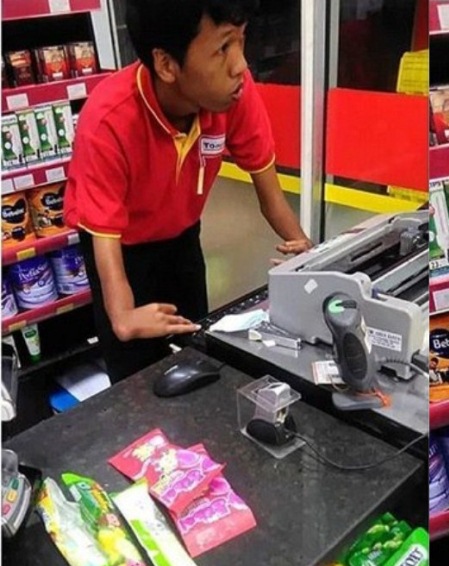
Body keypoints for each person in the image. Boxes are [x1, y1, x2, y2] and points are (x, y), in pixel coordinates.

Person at [64, 0, 311, 383]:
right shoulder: (108, 120)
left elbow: (271, 198)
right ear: (167, 65)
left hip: (182, 236)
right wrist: (123, 316)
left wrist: (310, 257)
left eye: (241, 40)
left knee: (197, 349)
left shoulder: (233, 94)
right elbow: (105, 240)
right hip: (122, 250)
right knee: (135, 375)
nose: (241, 65)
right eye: (223, 48)